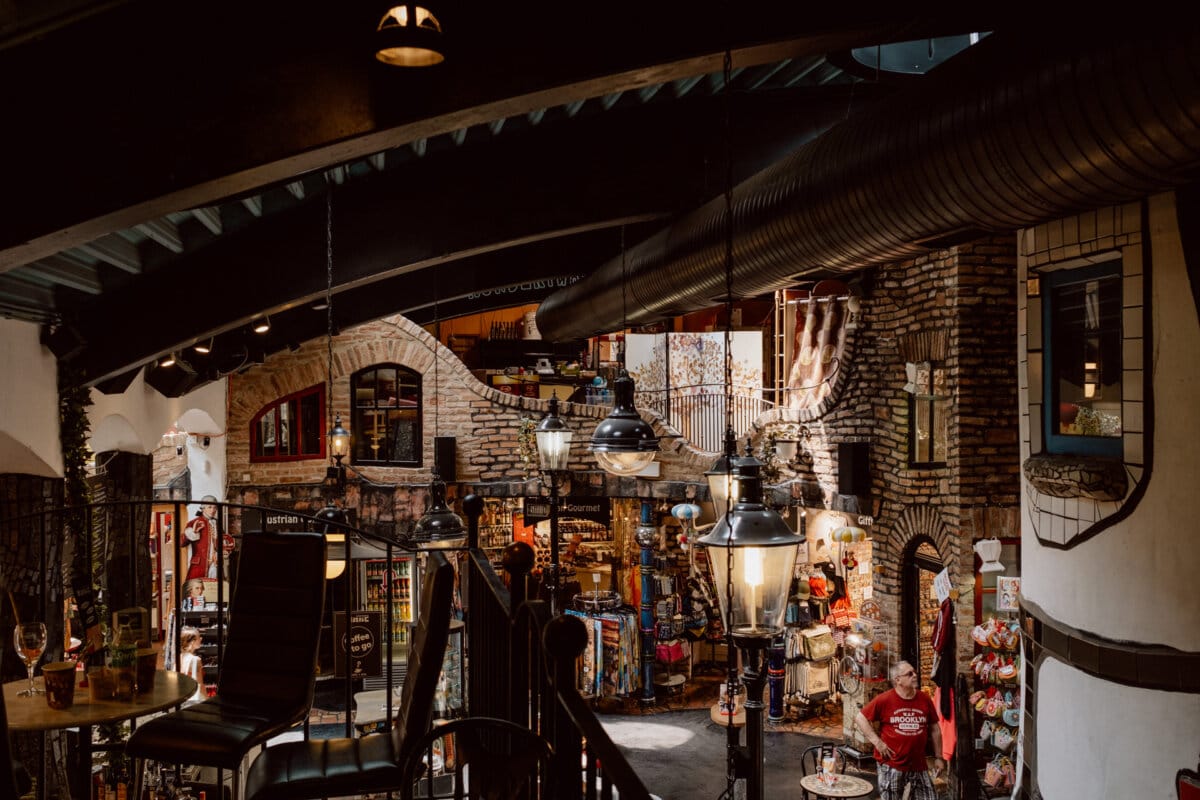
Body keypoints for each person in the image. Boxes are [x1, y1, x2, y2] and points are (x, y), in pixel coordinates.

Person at [855, 660, 945, 800]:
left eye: (914, 672)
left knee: (930, 797)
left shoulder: (924, 698)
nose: (914, 675)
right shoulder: (885, 699)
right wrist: (878, 743)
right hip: (892, 764)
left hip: (918, 763)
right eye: (909, 674)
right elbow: (861, 718)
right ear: (898, 680)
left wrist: (939, 757)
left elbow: (935, 728)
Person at [183, 496, 219, 581]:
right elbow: (182, 542)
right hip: (198, 566)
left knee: (213, 591)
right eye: (209, 507)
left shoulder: (217, 524)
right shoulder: (194, 522)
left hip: (215, 566)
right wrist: (193, 532)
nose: (213, 510)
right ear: (202, 508)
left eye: (215, 507)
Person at [179, 626, 205, 705]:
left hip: (181, 698)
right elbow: (199, 684)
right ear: (192, 642)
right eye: (198, 637)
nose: (201, 639)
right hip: (192, 701)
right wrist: (207, 700)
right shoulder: (195, 660)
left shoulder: (180, 657)